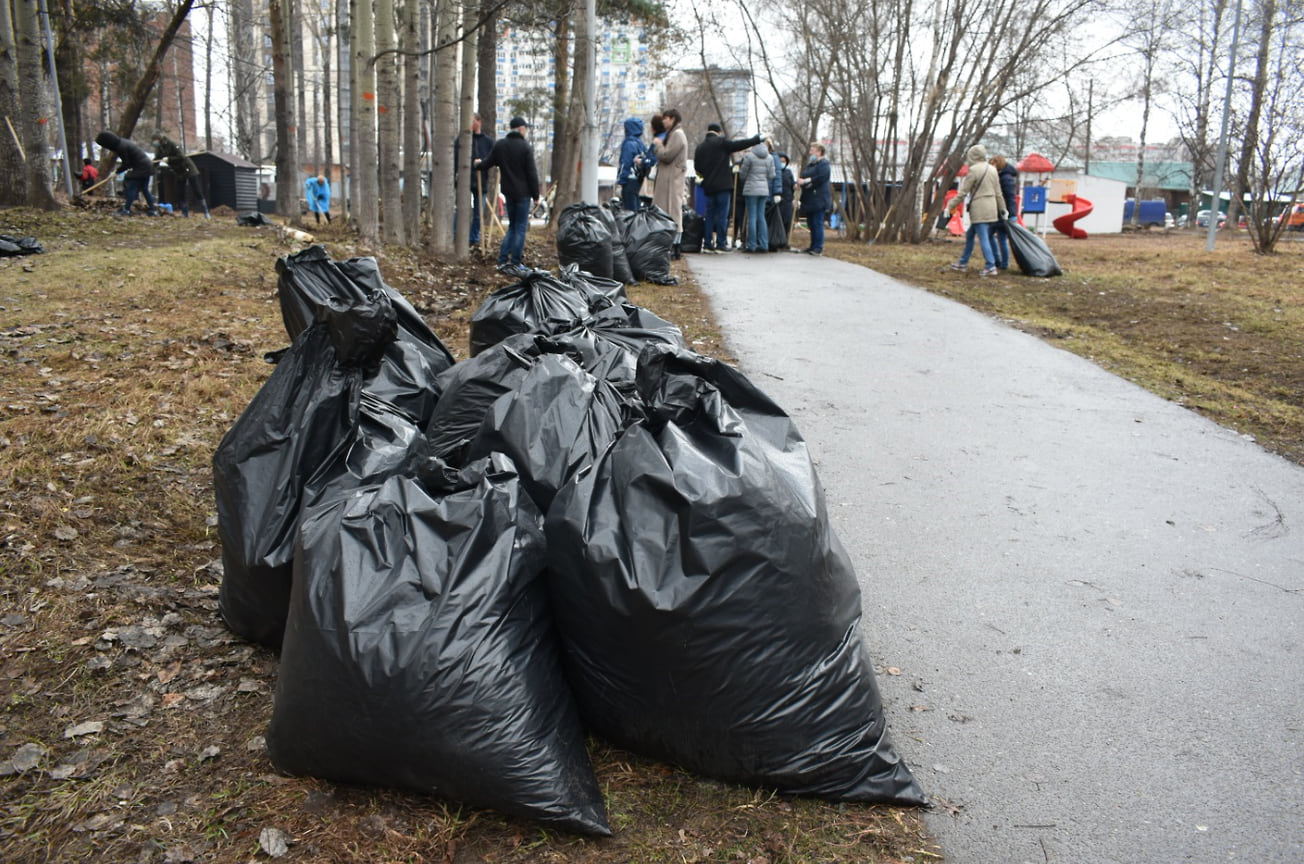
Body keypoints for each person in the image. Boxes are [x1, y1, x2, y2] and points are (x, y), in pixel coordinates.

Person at [477, 116, 540, 274]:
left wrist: (478, 165)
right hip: (523, 193)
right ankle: (516, 263)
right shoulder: (525, 147)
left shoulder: (500, 146)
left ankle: (503, 260)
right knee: (520, 228)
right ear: (520, 129)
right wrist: (536, 195)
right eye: (525, 128)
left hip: (509, 193)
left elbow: (488, 163)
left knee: (512, 227)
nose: (525, 131)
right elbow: (532, 173)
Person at [693, 122, 763, 253]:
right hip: (723, 186)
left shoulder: (700, 147)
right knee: (722, 215)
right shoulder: (722, 143)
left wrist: (706, 176)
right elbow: (740, 145)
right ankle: (720, 243)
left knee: (709, 215)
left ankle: (707, 243)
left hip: (708, 186)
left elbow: (697, 168)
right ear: (719, 132)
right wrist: (756, 139)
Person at [945, 144, 1008, 276]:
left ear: (972, 156)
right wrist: (1003, 209)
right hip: (991, 207)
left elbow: (963, 193)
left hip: (979, 208)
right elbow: (998, 193)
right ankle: (962, 262)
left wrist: (950, 206)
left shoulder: (974, 170)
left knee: (983, 237)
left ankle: (990, 266)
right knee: (970, 235)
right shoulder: (992, 170)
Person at [651, 108, 688, 259]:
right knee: (671, 211)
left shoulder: (677, 135)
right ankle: (673, 246)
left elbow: (667, 155)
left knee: (673, 211)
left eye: (666, 119)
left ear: (672, 119)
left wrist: (658, 145)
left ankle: (675, 246)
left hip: (672, 180)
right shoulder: (675, 134)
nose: (663, 122)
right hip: (670, 179)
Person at [94, 130, 157, 216]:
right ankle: (153, 210)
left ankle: (126, 210)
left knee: (131, 187)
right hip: (147, 166)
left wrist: (117, 171)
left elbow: (126, 163)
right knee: (144, 189)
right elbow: (129, 162)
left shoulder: (121, 147)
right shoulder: (122, 142)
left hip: (141, 168)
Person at [453, 113, 494, 244]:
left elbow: (492, 159)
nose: (470, 124)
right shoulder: (462, 140)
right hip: (465, 181)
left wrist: (482, 163)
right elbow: (455, 158)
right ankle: (456, 236)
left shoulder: (488, 141)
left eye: (473, 121)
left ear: (479, 122)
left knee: (478, 213)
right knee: (461, 210)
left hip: (481, 181)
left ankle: (474, 238)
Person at [150, 133, 209, 218]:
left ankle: (205, 211)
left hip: (187, 168)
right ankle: (184, 213)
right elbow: (157, 159)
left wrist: (169, 159)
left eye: (155, 141)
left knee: (197, 190)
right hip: (178, 171)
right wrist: (150, 166)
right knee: (180, 192)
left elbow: (181, 156)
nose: (154, 143)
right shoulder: (160, 148)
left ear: (159, 139)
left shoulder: (172, 144)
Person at [793, 143, 831, 255]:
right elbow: (805, 176)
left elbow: (820, 178)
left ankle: (818, 247)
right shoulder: (811, 165)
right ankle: (812, 246)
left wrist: (806, 181)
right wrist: (800, 183)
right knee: (811, 224)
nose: (810, 152)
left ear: (819, 152)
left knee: (817, 223)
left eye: (812, 150)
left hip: (819, 199)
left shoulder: (824, 164)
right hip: (810, 200)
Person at [738, 141, 775, 252]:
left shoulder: (749, 156)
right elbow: (772, 175)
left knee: (752, 218)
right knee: (761, 217)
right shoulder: (770, 157)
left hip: (751, 189)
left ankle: (752, 245)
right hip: (763, 189)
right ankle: (764, 244)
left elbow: (742, 174)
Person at [991, 154, 1019, 270]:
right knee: (1001, 238)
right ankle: (1003, 262)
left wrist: (1009, 213)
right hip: (1006, 212)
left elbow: (1009, 197)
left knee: (999, 237)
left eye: (993, 163)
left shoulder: (1005, 178)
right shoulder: (1007, 176)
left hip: (1005, 213)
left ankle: (1002, 262)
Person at [617, 117, 652, 211]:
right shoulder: (641, 144)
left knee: (629, 211)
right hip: (638, 180)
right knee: (636, 208)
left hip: (629, 181)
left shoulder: (628, 144)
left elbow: (626, 163)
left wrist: (621, 180)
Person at [777, 152, 796, 233]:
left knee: (787, 220)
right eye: (780, 161)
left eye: (784, 161)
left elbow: (792, 185)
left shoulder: (788, 172)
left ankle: (786, 239)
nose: (782, 163)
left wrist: (795, 186)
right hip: (777, 200)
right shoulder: (775, 172)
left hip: (787, 200)